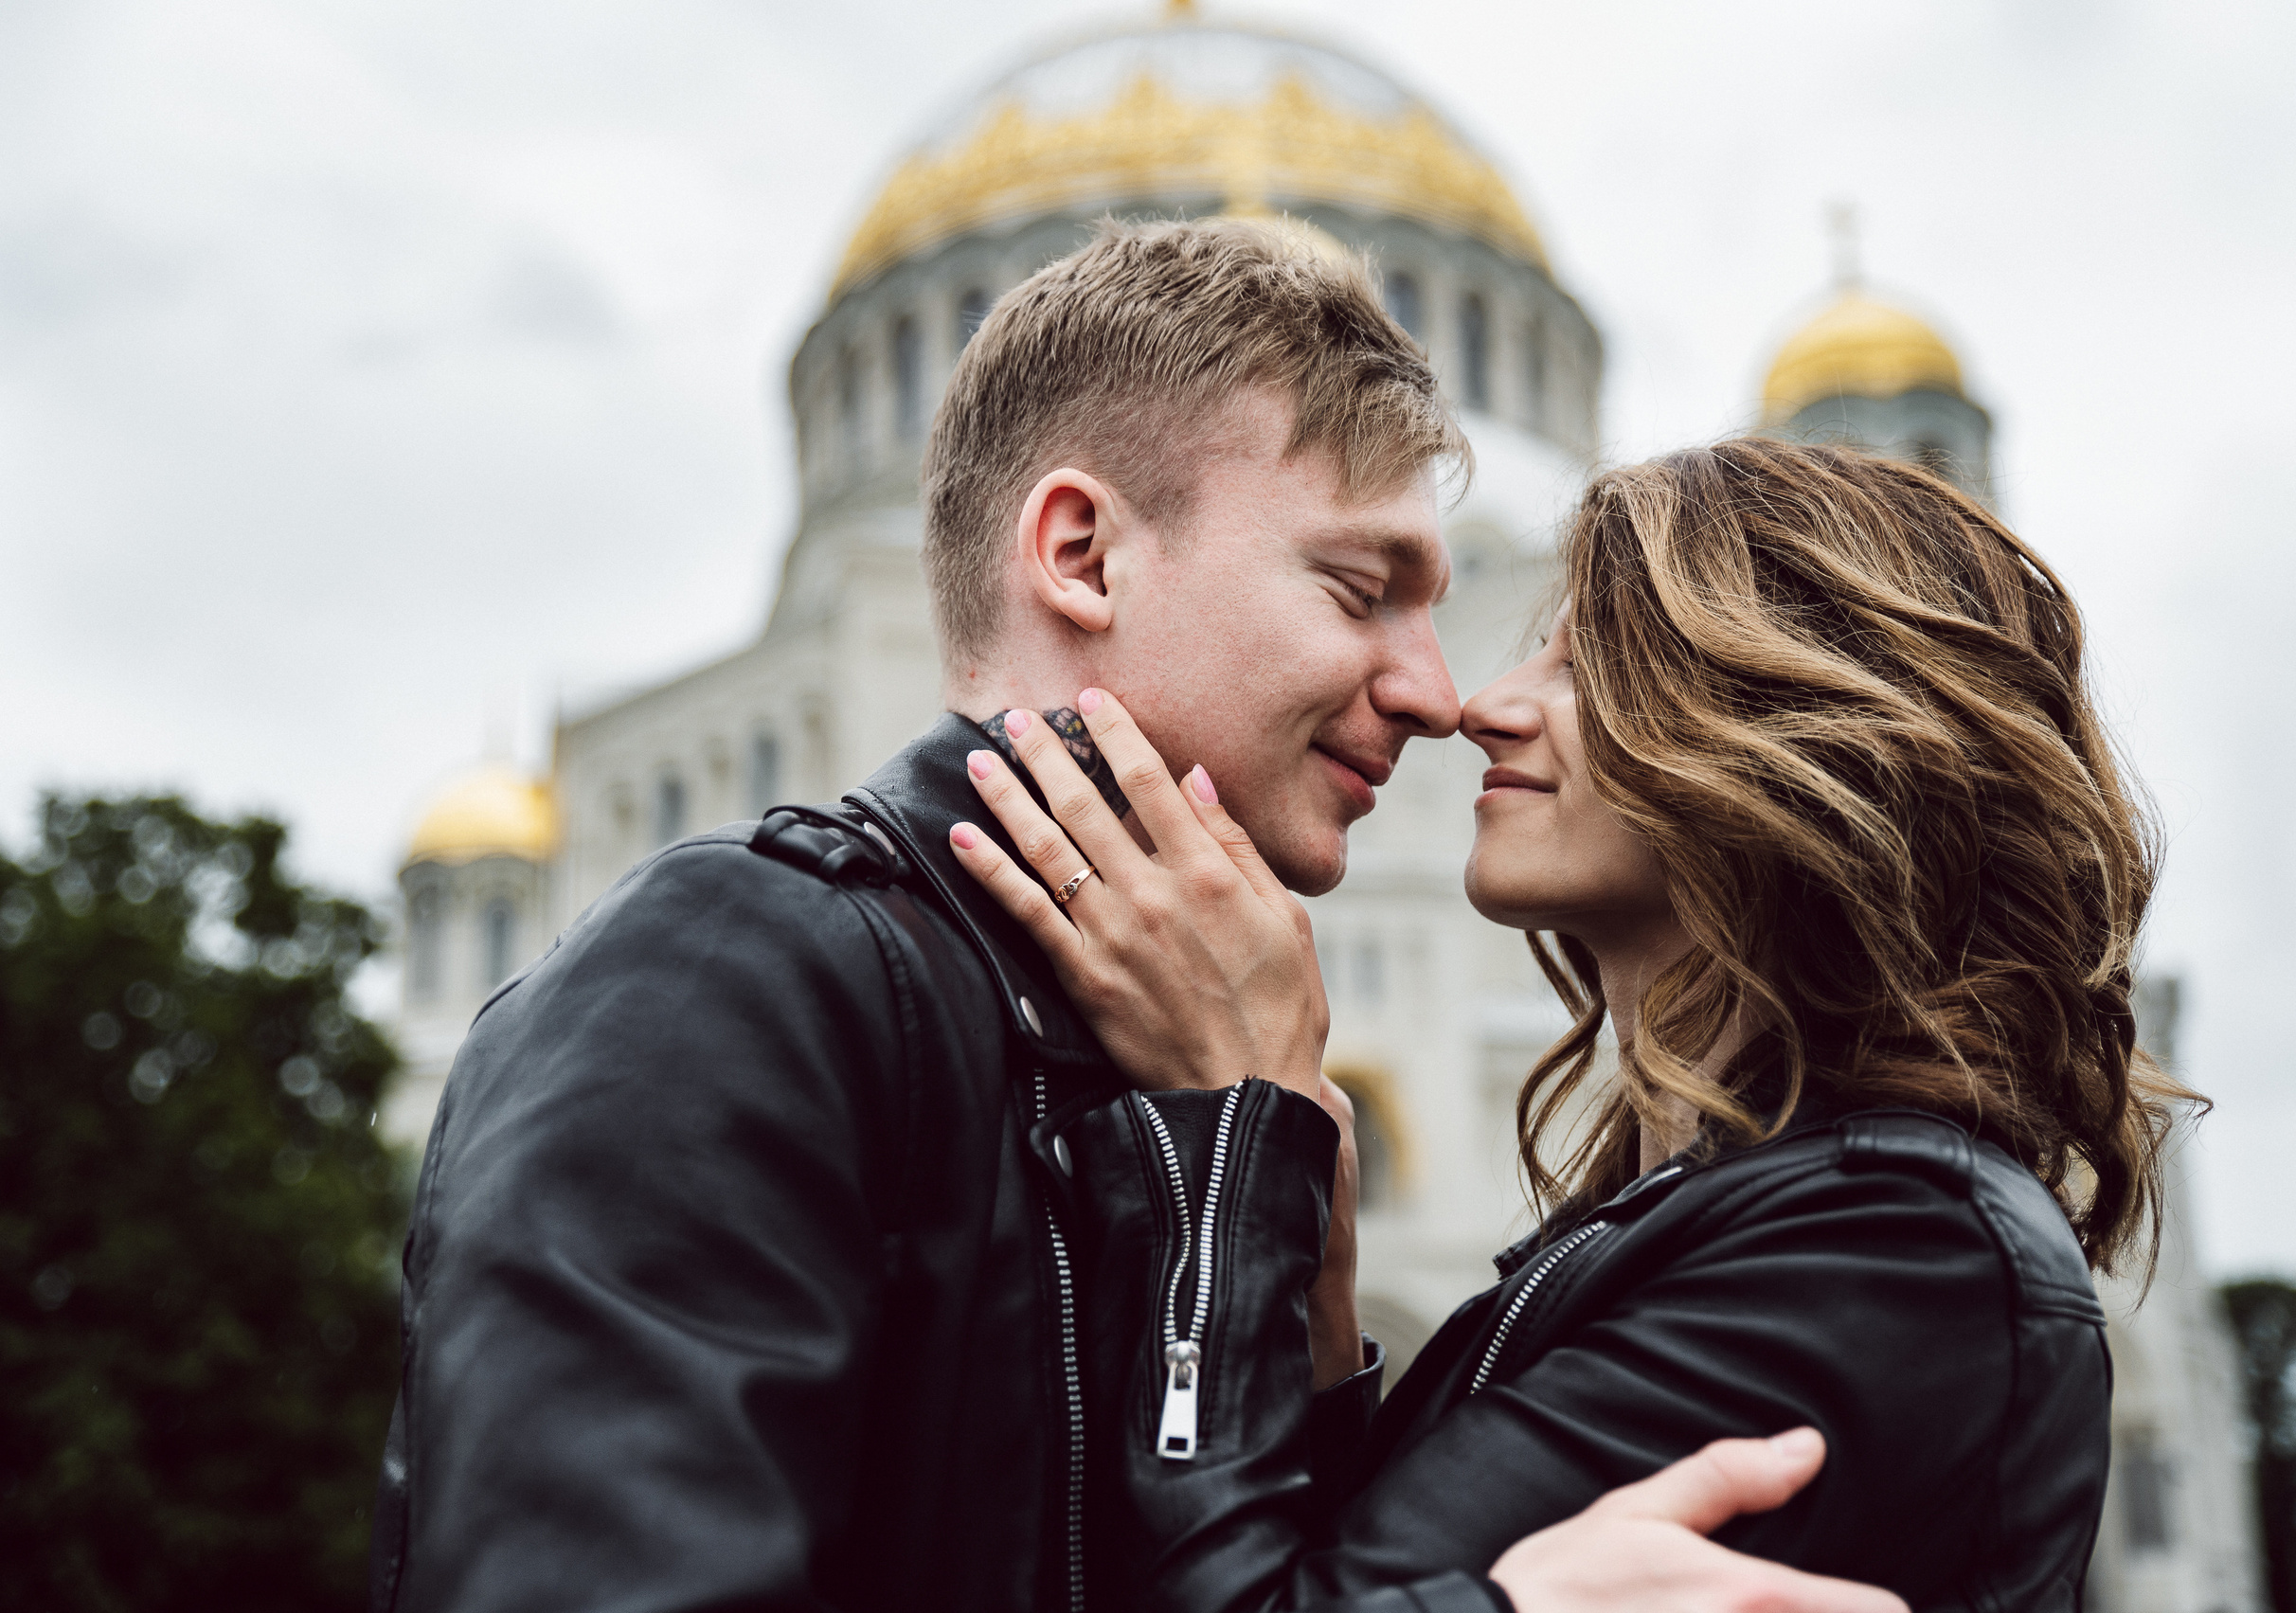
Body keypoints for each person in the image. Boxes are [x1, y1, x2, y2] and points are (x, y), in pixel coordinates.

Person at [368, 221, 1904, 1613]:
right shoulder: (734, 985)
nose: (1438, 695)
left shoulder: (1195, 1065)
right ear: (1083, 554)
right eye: (1361, 588)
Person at [951, 437, 2202, 1609]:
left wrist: (1230, 1129)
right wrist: (1323, 1331)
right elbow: (1369, 1560)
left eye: (1584, 665)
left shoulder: (1898, 1253)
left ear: (1798, 733)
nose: (1483, 707)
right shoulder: (1713, 1219)